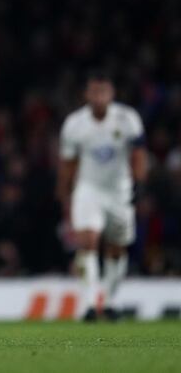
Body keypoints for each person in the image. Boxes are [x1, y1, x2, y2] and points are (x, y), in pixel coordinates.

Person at [57, 70, 147, 321]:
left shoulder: (127, 119)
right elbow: (67, 162)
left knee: (116, 249)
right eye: (94, 92)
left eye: (103, 92)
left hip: (120, 190)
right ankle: (88, 304)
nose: (98, 97)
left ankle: (108, 300)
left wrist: (139, 183)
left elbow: (139, 153)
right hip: (89, 189)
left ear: (111, 94)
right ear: (86, 94)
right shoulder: (75, 124)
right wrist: (65, 193)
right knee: (87, 241)